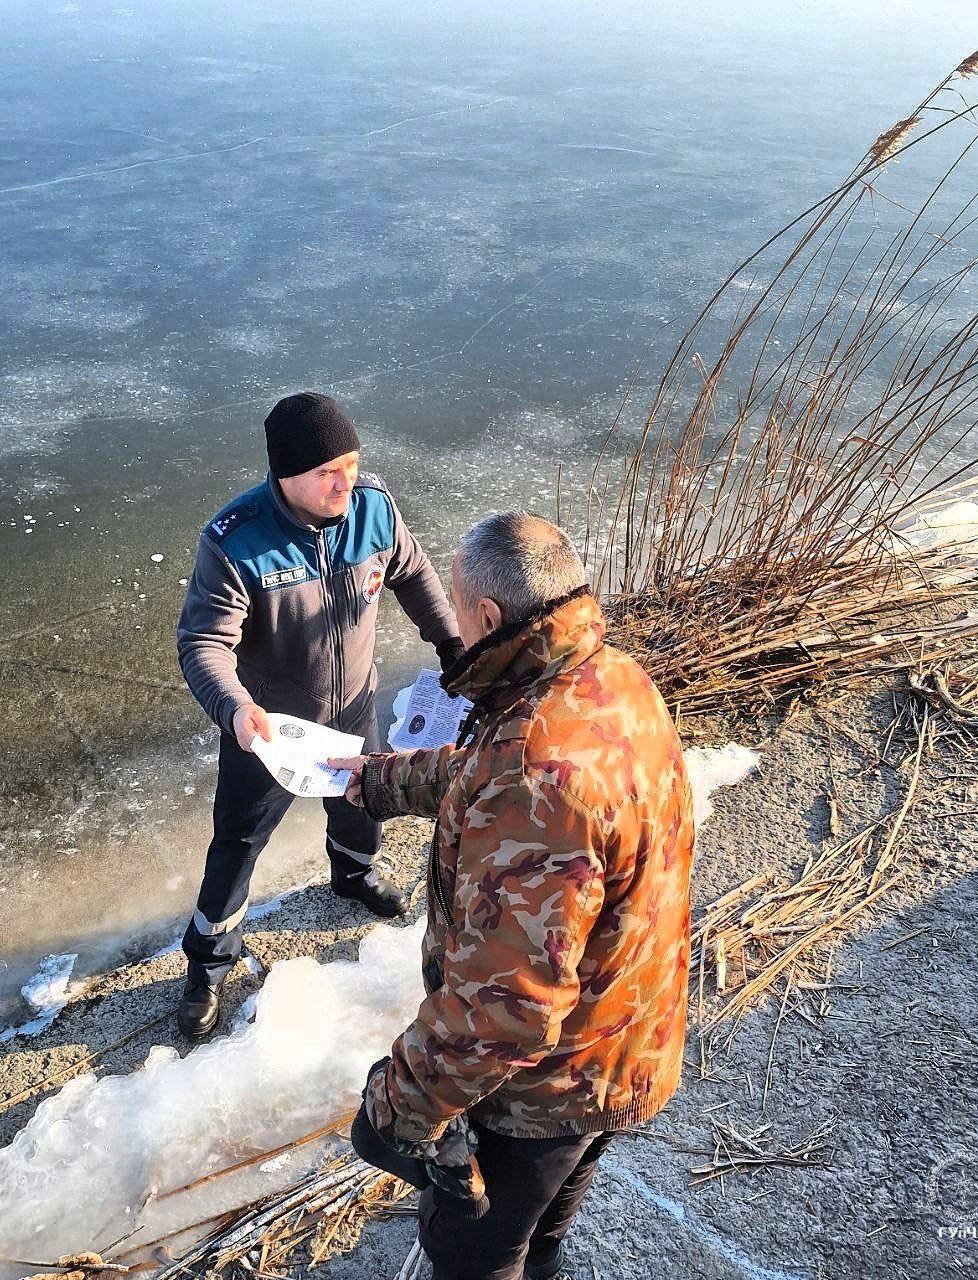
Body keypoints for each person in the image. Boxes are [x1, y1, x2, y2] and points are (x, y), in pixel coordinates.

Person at [331, 512, 695, 1280]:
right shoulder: (611, 678)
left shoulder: (534, 768)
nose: (455, 628)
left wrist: (400, 1107)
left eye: (460, 613)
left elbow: (509, 1008)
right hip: (627, 1036)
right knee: (545, 1227)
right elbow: (490, 773)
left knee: (475, 1252)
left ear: (488, 617)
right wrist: (380, 780)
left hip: (548, 1090)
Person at [175, 391, 463, 1041]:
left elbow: (413, 573)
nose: (345, 482)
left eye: (352, 465)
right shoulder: (235, 541)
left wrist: (450, 644)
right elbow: (203, 643)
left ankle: (353, 872)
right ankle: (208, 961)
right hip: (269, 731)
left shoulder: (373, 511)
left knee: (362, 799)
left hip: (354, 703)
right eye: (327, 473)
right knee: (238, 843)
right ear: (286, 475)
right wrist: (236, 709)